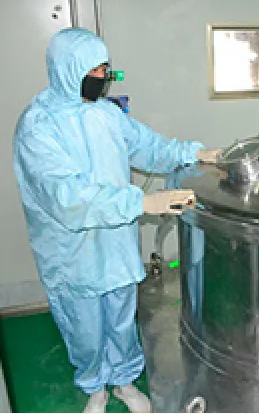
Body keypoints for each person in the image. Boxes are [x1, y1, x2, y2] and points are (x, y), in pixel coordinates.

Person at [12, 27, 221, 413]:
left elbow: (149, 147)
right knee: (84, 328)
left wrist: (195, 154)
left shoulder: (107, 115)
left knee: (122, 319)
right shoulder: (38, 127)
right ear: (67, 70)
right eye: (93, 70)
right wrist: (143, 202)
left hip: (116, 245)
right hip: (72, 252)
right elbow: (67, 199)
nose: (102, 77)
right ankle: (95, 387)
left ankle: (124, 382)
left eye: (105, 68)